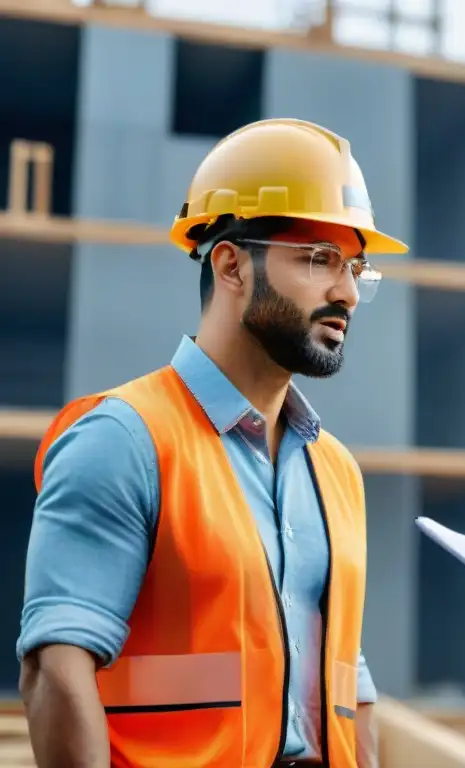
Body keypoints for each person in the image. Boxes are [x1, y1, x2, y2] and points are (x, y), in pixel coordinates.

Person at [17, 118, 407, 768]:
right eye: (318, 259)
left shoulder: (337, 471)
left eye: (355, 268)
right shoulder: (124, 439)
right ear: (231, 265)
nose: (346, 292)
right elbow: (56, 669)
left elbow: (347, 684)